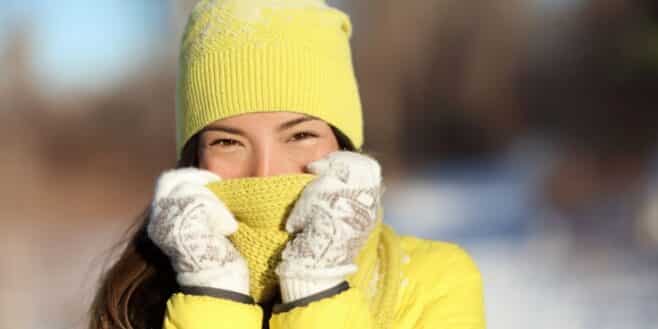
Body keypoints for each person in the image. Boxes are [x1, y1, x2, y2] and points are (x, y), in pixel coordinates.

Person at [88, 1, 485, 329]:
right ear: (194, 158)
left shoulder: (434, 282)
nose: (265, 171)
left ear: (344, 145)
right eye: (228, 142)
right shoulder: (134, 299)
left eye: (299, 136)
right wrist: (211, 291)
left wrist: (316, 288)